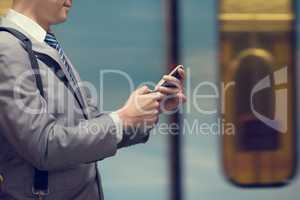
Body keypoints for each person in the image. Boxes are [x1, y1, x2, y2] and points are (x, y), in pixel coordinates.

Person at [0, 0, 186, 199]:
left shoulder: (43, 43)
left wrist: (147, 110)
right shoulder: (7, 48)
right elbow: (43, 146)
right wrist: (122, 119)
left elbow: (89, 126)